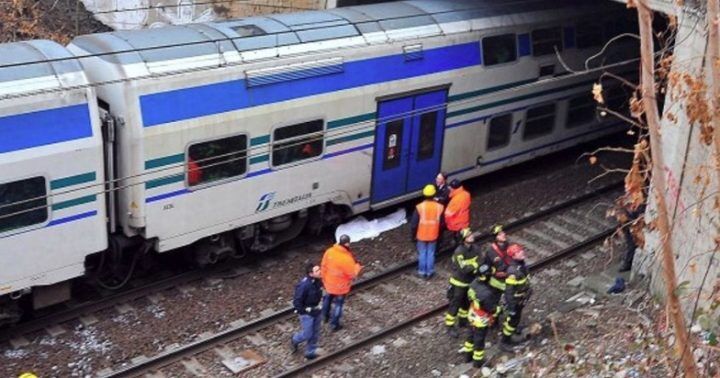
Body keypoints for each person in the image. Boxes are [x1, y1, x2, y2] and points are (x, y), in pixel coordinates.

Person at [459, 264, 501, 368]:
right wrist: (499, 309)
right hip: (481, 320)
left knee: (470, 335)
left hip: (472, 314)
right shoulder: (486, 293)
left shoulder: (474, 283)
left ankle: (468, 356)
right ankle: (478, 361)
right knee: (479, 339)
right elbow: (492, 308)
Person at [320, 234, 362, 331]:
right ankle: (334, 325)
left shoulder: (329, 251)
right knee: (338, 304)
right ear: (347, 243)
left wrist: (323, 278)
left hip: (329, 282)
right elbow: (352, 274)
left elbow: (323, 265)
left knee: (327, 298)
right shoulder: (346, 259)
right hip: (341, 286)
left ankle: (324, 317)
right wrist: (358, 266)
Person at [444, 228, 481, 337]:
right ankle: (449, 325)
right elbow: (463, 269)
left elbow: (481, 260)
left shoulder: (476, 248)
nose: (472, 236)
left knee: (466, 303)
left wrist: (473, 266)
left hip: (470, 282)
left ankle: (463, 321)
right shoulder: (459, 252)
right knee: (455, 304)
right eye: (469, 236)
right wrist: (475, 265)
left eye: (471, 234)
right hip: (458, 283)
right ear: (463, 239)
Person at [500, 243, 531, 351]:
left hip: (521, 299)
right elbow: (509, 291)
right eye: (518, 252)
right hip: (515, 300)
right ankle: (505, 341)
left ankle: (511, 334)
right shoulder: (512, 271)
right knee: (512, 321)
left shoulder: (522, 265)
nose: (521, 252)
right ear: (513, 256)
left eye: (521, 250)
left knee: (516, 320)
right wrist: (512, 307)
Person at [410, 185, 444, 279]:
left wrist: (413, 236)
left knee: (422, 253)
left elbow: (414, 224)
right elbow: (442, 224)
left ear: (424, 195)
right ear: (434, 194)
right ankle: (429, 272)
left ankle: (421, 272)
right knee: (430, 253)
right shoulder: (439, 207)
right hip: (433, 234)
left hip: (421, 235)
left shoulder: (419, 207)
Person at [291, 263, 323, 360]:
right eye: (317, 271)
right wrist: (303, 311)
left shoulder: (318, 281)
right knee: (308, 333)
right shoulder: (304, 286)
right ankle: (295, 339)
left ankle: (310, 351)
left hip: (316, 311)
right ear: (311, 274)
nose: (320, 271)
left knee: (315, 332)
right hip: (307, 313)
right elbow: (297, 301)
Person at [444, 179, 471, 245]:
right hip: (464, 221)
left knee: (459, 240)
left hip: (456, 223)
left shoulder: (455, 200)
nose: (449, 189)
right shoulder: (466, 194)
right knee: (465, 237)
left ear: (453, 188)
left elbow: (448, 214)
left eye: (450, 188)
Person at [486, 224, 512, 294]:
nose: (504, 234)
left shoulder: (507, 245)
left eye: (503, 232)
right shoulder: (491, 251)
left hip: (509, 279)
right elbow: (487, 268)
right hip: (498, 283)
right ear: (495, 238)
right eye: (500, 234)